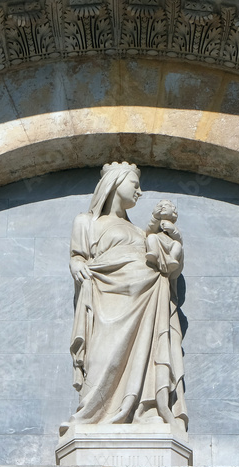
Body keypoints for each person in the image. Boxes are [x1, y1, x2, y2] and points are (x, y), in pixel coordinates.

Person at [63, 162, 187, 431]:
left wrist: (171, 238)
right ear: (115, 184)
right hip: (107, 298)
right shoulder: (87, 221)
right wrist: (77, 264)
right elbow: (78, 256)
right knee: (103, 355)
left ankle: (147, 408)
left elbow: (167, 262)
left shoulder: (139, 231)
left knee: (147, 351)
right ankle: (93, 413)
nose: (140, 191)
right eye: (135, 184)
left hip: (148, 297)